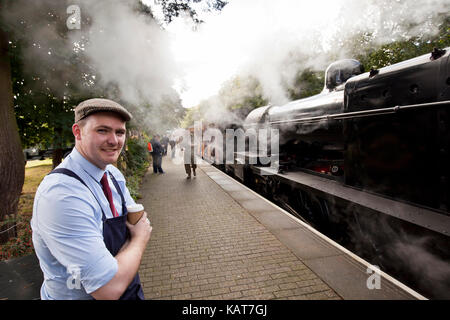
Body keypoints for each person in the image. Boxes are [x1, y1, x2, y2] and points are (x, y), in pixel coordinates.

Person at [31, 98, 152, 300]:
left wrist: (120, 262)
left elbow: (137, 220)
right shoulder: (62, 194)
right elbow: (108, 288)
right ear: (77, 132)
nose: (114, 140)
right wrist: (139, 240)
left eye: (119, 132)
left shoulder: (113, 175)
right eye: (102, 130)